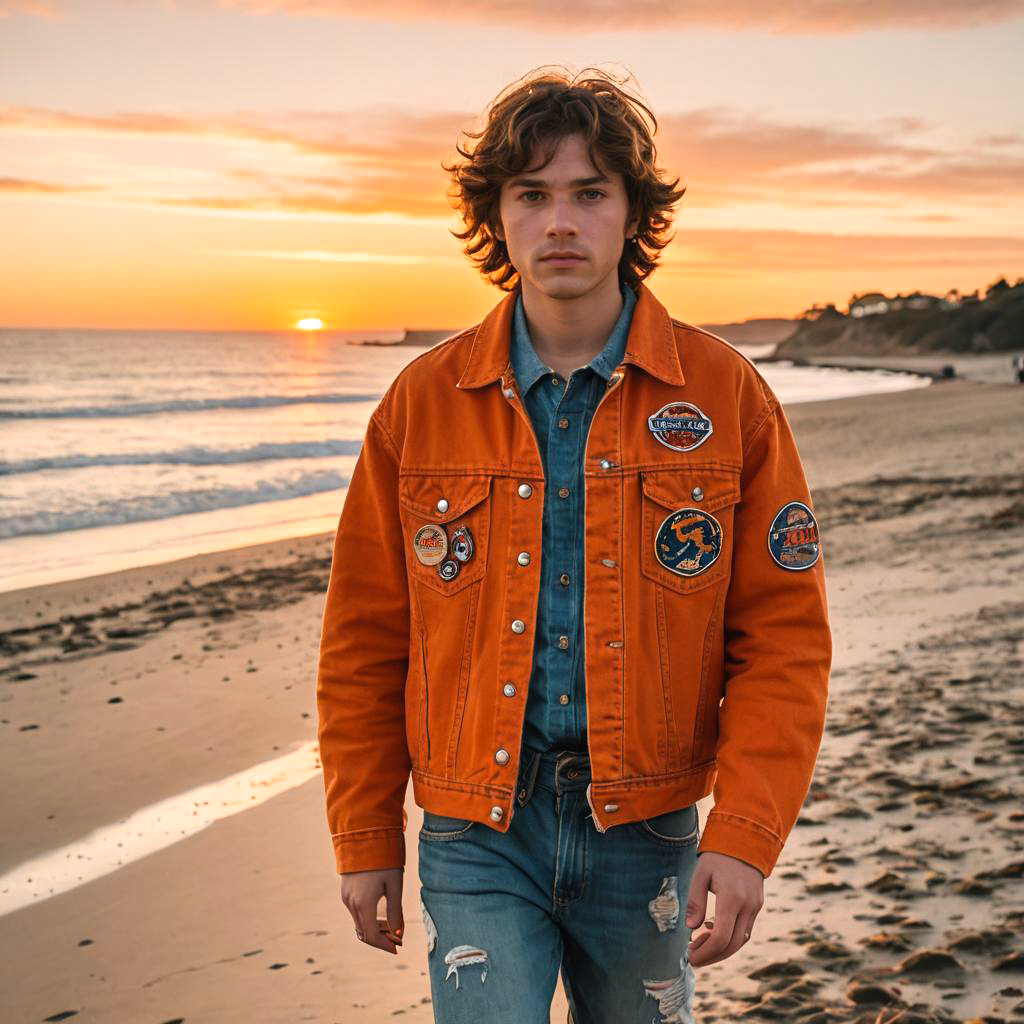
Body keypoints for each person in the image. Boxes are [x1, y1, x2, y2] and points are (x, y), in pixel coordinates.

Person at [315, 65, 832, 1024]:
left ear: (633, 213)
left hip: (648, 831)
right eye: (533, 194)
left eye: (590, 193)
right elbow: (364, 639)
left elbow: (784, 638)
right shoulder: (419, 407)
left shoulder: (725, 399)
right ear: (497, 216)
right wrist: (364, 832)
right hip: (476, 832)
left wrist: (747, 831)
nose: (562, 222)